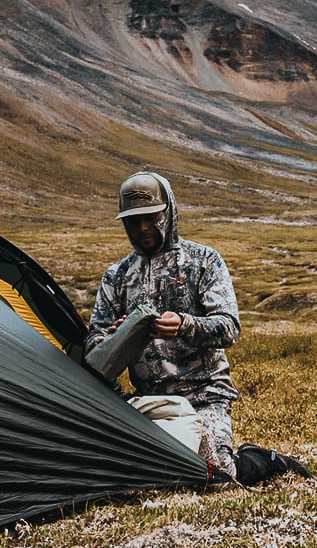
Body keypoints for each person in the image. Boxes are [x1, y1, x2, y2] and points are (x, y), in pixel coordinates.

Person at [85, 171, 241, 478]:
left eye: (150, 217)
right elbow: (93, 343)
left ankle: (263, 460)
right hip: (148, 403)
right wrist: (112, 338)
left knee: (216, 473)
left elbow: (229, 328)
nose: (142, 228)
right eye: (133, 221)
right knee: (144, 474)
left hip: (204, 395)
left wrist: (184, 325)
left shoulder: (205, 261)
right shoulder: (116, 276)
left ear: (168, 212)